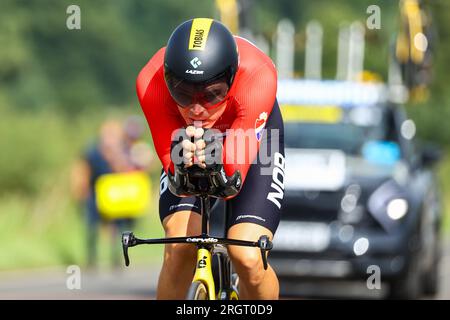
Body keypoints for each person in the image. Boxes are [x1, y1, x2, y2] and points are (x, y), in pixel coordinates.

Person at [136, 18, 284, 299]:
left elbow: (233, 180)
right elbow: (174, 170)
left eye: (211, 94)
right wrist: (182, 165)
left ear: (230, 78)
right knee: (179, 247)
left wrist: (218, 163)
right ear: (168, 80)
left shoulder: (258, 75)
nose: (196, 109)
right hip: (188, 140)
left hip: (249, 133)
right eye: (182, 92)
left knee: (247, 255)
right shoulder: (150, 82)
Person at [71, 117, 152, 268]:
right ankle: (91, 258)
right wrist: (82, 189)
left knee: (118, 228)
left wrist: (116, 157)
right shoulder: (92, 152)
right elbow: (84, 170)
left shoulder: (121, 152)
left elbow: (126, 171)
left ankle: (116, 257)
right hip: (95, 193)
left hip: (115, 195)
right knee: (92, 226)